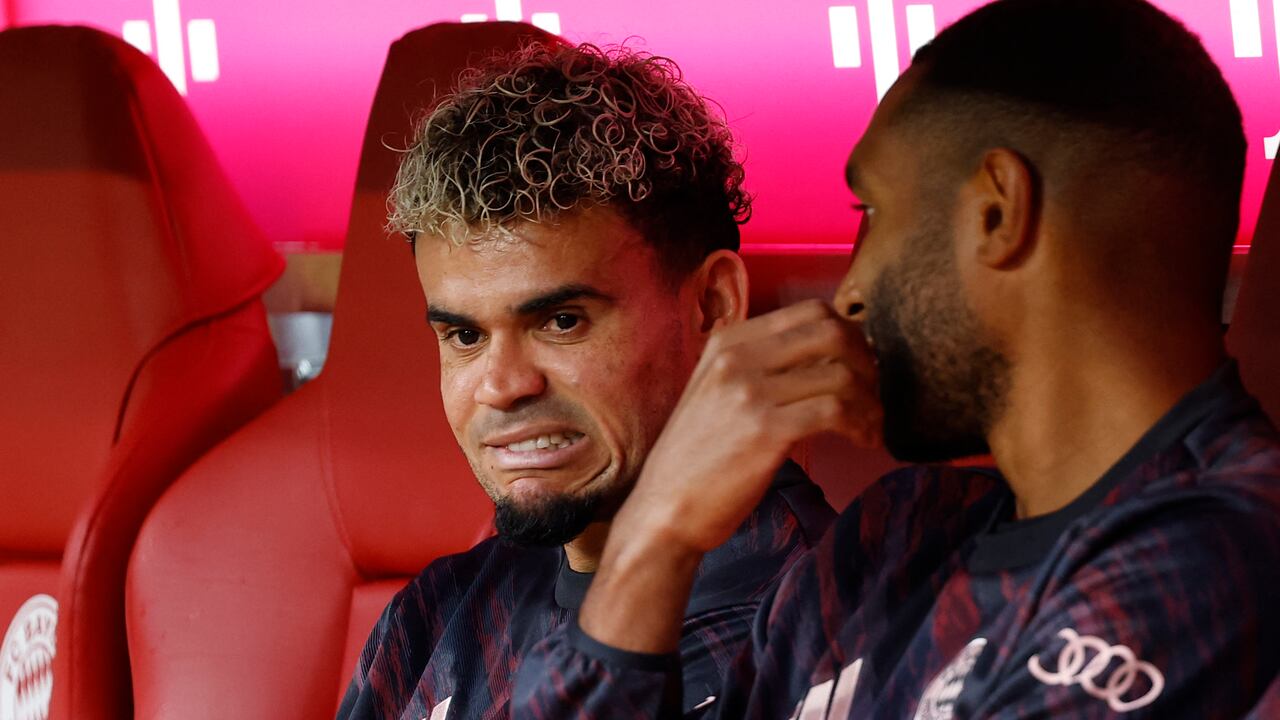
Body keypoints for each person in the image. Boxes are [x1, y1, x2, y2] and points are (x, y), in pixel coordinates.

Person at [512, 0, 1280, 716]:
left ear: (996, 212)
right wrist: (655, 537)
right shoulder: (892, 539)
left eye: (871, 212)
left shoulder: (1225, 552)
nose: (849, 294)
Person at [334, 41, 838, 720]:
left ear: (713, 307)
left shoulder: (827, 620)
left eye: (562, 321)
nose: (501, 386)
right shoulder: (436, 615)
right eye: (464, 336)